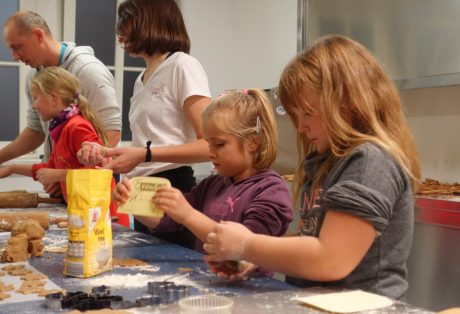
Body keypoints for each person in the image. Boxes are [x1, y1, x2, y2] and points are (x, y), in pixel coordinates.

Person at [204, 35, 422, 300]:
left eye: (307, 113)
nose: (301, 127)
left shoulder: (369, 161)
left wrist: (247, 245)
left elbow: (332, 259)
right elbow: (312, 234)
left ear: (347, 103)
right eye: (296, 117)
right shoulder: (326, 161)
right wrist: (258, 257)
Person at [113, 89, 293, 277]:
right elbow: (167, 220)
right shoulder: (212, 185)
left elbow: (245, 250)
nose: (211, 152)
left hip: (251, 290)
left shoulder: (271, 190)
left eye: (220, 144)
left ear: (253, 143)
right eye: (209, 143)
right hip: (209, 281)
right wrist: (132, 202)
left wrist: (188, 215)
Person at [77, 0, 212, 248]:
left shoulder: (182, 65)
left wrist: (144, 155)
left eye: (127, 22)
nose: (120, 33)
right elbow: (148, 142)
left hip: (171, 187)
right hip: (138, 190)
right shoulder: (142, 79)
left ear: (151, 21)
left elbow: (211, 145)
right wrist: (109, 154)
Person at [2, 10, 122, 196]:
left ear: (38, 35)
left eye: (18, 47)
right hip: (67, 189)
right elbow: (36, 131)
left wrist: (64, 175)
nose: (14, 56)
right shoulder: (34, 78)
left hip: (93, 192)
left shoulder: (88, 70)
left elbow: (111, 132)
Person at [0, 67, 128, 226]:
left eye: (35, 98)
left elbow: (99, 172)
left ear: (54, 99)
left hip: (105, 217)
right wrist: (12, 168)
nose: (34, 106)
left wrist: (57, 175)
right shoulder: (60, 129)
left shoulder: (77, 127)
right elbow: (50, 168)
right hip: (85, 213)